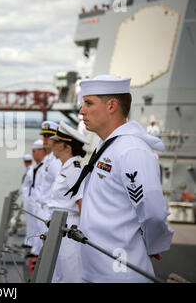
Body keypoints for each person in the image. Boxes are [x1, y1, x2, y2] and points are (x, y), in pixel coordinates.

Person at [70, 74, 174, 283]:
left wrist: (153, 244)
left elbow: (152, 212)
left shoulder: (131, 150)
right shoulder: (108, 146)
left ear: (111, 106)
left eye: (89, 103)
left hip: (120, 274)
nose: (82, 111)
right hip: (97, 271)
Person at [46, 121, 89, 283]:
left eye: (57, 142)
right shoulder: (66, 167)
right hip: (58, 227)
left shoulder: (74, 170)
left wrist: (82, 233)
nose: (52, 144)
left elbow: (81, 204)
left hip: (68, 230)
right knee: (57, 274)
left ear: (67, 147)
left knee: (70, 275)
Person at [30, 121, 61, 257]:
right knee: (44, 252)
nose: (46, 139)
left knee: (51, 255)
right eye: (44, 135)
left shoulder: (57, 161)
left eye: (50, 135)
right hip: (41, 210)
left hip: (49, 213)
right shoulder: (48, 159)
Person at [21, 154, 34, 248]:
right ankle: (29, 240)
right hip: (28, 199)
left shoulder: (31, 171)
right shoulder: (30, 170)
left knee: (30, 221)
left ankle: (30, 242)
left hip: (30, 200)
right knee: (29, 221)